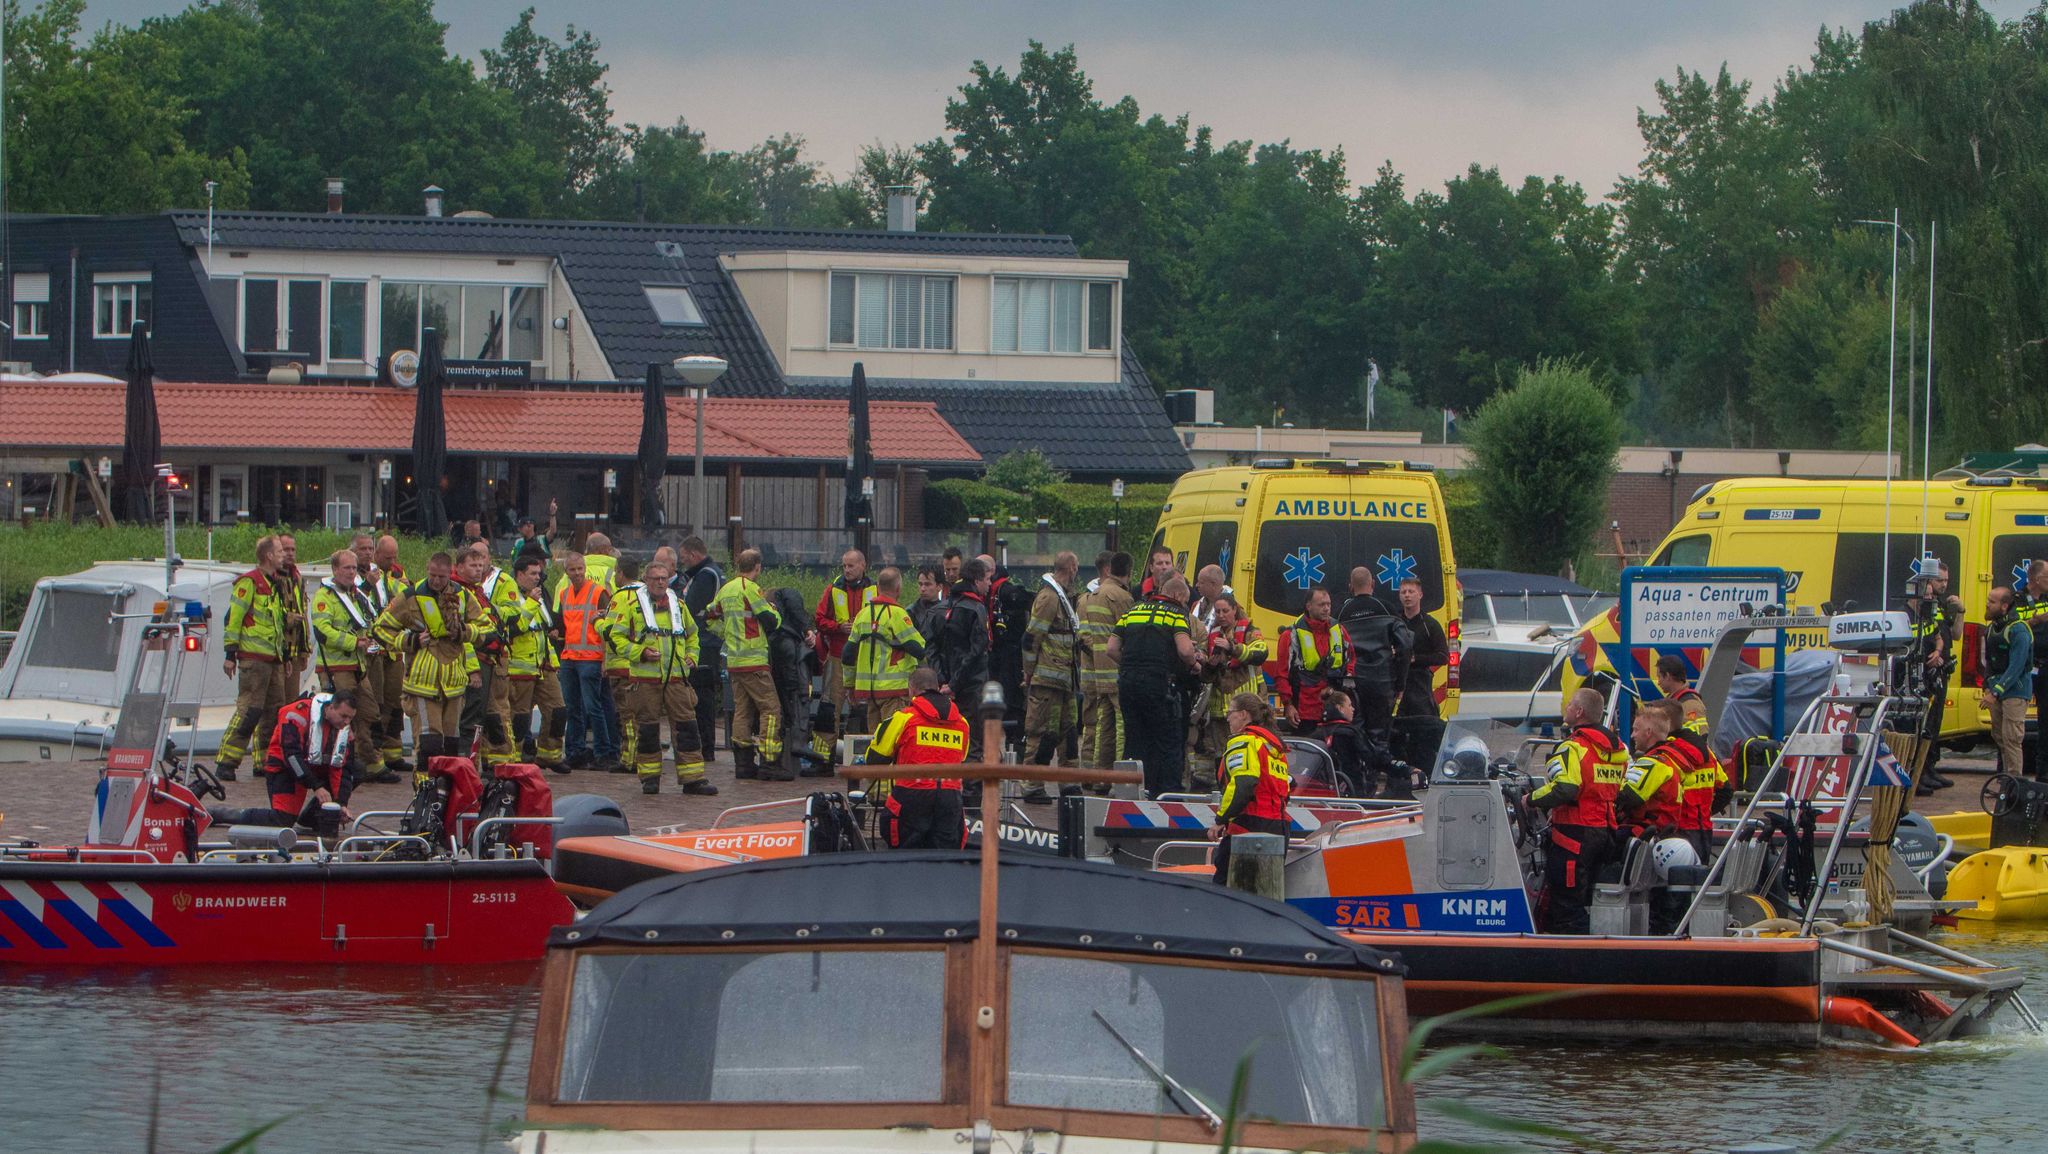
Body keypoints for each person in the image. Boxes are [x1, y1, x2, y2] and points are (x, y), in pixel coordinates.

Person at [609, 556, 715, 795]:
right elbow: (616, 638)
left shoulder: (679, 605)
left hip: (676, 678)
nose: (659, 583)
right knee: (647, 730)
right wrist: (640, 652)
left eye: (664, 579)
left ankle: (693, 778)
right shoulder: (631, 606)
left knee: (687, 727)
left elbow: (693, 636)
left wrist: (693, 656)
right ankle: (649, 778)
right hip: (645, 680)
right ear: (645, 580)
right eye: (655, 579)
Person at [1527, 687, 1628, 933]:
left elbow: (1566, 789)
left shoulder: (1573, 747)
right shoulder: (1618, 750)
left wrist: (1530, 799)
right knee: (1586, 899)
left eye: (1571, 704)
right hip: (1605, 832)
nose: (1567, 708)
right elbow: (1621, 789)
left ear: (1580, 712)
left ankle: (1574, 960)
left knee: (1566, 903)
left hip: (1574, 836)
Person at [372, 552, 487, 763]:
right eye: (432, 575)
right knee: (429, 746)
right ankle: (425, 791)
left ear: (449, 574)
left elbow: (486, 628)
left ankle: (447, 791)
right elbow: (380, 629)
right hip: (421, 683)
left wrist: (464, 631)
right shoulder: (410, 595)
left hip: (454, 684)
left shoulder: (463, 595)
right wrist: (410, 641)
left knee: (451, 748)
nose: (436, 581)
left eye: (442, 577)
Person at [209, 692, 360, 832]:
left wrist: (341, 803)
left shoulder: (345, 730)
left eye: (351, 718)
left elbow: (344, 769)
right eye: (344, 716)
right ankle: (222, 814)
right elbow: (292, 756)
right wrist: (317, 787)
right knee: (281, 821)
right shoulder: (295, 714)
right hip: (285, 768)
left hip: (316, 768)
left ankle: (313, 817)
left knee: (359, 770)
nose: (347, 722)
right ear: (331, 707)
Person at [309, 548, 395, 784]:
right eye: (346, 568)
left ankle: (368, 762)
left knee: (369, 713)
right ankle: (358, 764)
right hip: (337, 670)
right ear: (335, 570)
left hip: (359, 667)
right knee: (341, 718)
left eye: (353, 568)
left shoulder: (357, 596)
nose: (350, 572)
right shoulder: (324, 598)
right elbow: (324, 632)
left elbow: (368, 623)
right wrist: (354, 642)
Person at [1112, 574, 1200, 797]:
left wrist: (1133, 664)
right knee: (1167, 741)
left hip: (1128, 683)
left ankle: (1133, 791)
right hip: (1159, 685)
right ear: (1179, 595)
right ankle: (1168, 796)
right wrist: (1194, 664)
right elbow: (1185, 650)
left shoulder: (1133, 610)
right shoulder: (1177, 614)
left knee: (1135, 739)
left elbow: (1111, 648)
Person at [867, 667, 973, 849]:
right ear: (938, 687)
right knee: (946, 859)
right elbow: (961, 757)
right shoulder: (962, 724)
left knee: (906, 856)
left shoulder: (903, 718)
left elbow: (874, 758)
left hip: (912, 795)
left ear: (912, 689)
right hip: (950, 798)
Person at [216, 535, 293, 782]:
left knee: (274, 713)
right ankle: (226, 761)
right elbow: (233, 619)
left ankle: (265, 761)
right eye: (280, 551)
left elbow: (276, 623)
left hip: (273, 659)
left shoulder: (275, 583)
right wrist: (230, 654)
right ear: (269, 556)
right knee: (249, 711)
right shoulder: (249, 583)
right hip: (253, 660)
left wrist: (286, 655)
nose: (285, 555)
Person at [711, 548, 783, 779]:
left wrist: (727, 635)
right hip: (754, 660)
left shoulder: (726, 589)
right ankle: (770, 763)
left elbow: (710, 615)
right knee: (770, 709)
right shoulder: (751, 590)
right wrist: (774, 611)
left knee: (742, 711)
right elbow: (771, 621)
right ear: (758, 567)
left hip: (734, 661)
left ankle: (743, 764)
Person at [1019, 551, 1082, 799]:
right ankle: (1033, 785)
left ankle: (1069, 782)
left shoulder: (1065, 597)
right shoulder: (1049, 597)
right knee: (1041, 731)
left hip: (1065, 680)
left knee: (1068, 731)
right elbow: (1031, 638)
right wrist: (1029, 673)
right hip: (1046, 681)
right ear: (1071, 568)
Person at [1210, 693, 1290, 885]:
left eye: (1230, 712)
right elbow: (1286, 789)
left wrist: (1221, 819)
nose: (1227, 718)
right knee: (1266, 894)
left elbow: (1243, 783)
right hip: (1279, 829)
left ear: (1244, 714)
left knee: (1227, 893)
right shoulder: (1274, 749)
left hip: (1248, 828)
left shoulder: (1245, 742)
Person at [1189, 596, 1266, 791]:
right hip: (1218, 711)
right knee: (1221, 755)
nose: (1221, 616)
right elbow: (1206, 677)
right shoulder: (1212, 634)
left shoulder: (1249, 631)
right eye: (1218, 612)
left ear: (1235, 610)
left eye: (1225, 611)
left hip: (1245, 710)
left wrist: (1233, 648)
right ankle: (1224, 791)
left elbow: (1260, 652)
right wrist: (1208, 664)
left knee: (1245, 754)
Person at [1337, 566, 1404, 787]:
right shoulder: (1386, 609)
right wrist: (1399, 679)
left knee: (1354, 731)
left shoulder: (1341, 612)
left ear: (1349, 586)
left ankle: (1357, 782)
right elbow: (1406, 645)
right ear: (1372, 584)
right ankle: (1377, 780)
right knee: (1379, 735)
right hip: (1381, 681)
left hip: (1351, 683)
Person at [844, 567, 926, 738]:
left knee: (875, 742)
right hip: (894, 692)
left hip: (869, 694)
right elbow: (919, 649)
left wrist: (850, 685)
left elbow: (847, 655)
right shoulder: (897, 614)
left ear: (877, 588)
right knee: (894, 740)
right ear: (898, 589)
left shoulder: (862, 615)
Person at [506, 551, 569, 774]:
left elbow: (545, 625)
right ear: (519, 574)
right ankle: (513, 757)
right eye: (532, 573)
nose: (537, 578)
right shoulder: (510, 595)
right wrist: (532, 603)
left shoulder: (539, 595)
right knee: (520, 716)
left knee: (558, 710)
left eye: (539, 573)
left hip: (544, 664)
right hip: (519, 667)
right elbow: (515, 627)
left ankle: (549, 755)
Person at [553, 553, 616, 772]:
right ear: (566, 572)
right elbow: (564, 627)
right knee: (572, 708)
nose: (577, 573)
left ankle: (603, 752)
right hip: (570, 657)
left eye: (580, 569)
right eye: (573, 570)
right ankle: (575, 752)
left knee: (592, 707)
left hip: (590, 658)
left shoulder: (598, 593)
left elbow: (607, 628)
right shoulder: (564, 594)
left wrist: (605, 660)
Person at [1906, 562, 1965, 792]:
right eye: (1939, 580)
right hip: (1919, 674)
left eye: (1945, 581)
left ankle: (1928, 768)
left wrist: (1960, 611)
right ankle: (1919, 772)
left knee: (1934, 723)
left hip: (1938, 670)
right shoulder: (1909, 613)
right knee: (1921, 724)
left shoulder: (1936, 607)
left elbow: (1948, 635)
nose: (1943, 585)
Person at [458, 543, 518, 768]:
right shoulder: (459, 592)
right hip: (476, 661)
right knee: (471, 716)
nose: (478, 570)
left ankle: (484, 764)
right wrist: (472, 668)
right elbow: (462, 635)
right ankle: (468, 764)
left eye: (481, 565)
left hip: (491, 658)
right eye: (473, 565)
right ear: (460, 566)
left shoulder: (477, 590)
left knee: (486, 715)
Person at [813, 549, 875, 762]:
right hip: (839, 656)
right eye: (844, 566)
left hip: (865, 659)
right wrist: (838, 627)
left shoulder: (875, 589)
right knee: (830, 706)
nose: (846, 570)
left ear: (862, 565)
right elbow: (819, 619)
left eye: (851, 566)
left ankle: (863, 756)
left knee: (864, 708)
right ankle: (823, 758)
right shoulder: (833, 589)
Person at [1075, 551, 1134, 779]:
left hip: (1098, 672)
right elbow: (1127, 634)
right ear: (1129, 571)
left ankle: (1100, 777)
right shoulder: (1121, 597)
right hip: (1117, 671)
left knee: (1102, 727)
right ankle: (1119, 778)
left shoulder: (1092, 595)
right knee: (1121, 727)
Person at [931, 558, 994, 758]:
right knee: (973, 740)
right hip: (971, 686)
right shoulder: (976, 609)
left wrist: (943, 680)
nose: (990, 584)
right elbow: (976, 652)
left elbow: (934, 648)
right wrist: (955, 683)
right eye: (987, 579)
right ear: (976, 581)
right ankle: (971, 788)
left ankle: (951, 784)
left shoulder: (944, 607)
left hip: (946, 685)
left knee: (950, 738)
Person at [1274, 588, 1352, 737]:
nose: (1327, 608)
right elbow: (1281, 674)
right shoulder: (1291, 635)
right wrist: (1288, 705)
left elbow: (1351, 660)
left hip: (1334, 709)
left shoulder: (1339, 630)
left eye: (1328, 604)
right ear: (1308, 606)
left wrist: (1345, 691)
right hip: (1305, 711)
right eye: (1321, 604)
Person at [364, 534, 411, 771]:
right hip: (374, 650)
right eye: (387, 557)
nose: (392, 561)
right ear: (376, 554)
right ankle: (375, 754)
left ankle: (393, 751)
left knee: (395, 702)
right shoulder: (366, 576)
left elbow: (404, 592)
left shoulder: (393, 574)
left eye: (394, 557)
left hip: (393, 648)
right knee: (377, 702)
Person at [1392, 576, 1448, 770]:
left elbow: (1443, 656)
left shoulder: (1429, 624)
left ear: (1420, 595)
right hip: (1395, 685)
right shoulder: (1394, 622)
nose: (1407, 596)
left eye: (1411, 592)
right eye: (1403, 592)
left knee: (1423, 731)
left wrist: (1416, 659)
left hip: (1419, 685)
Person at [676, 536, 724, 758]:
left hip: (705, 642)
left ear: (694, 555)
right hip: (706, 641)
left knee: (702, 697)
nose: (683, 563)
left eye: (684, 558)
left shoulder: (706, 576)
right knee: (702, 696)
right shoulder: (708, 573)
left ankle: (705, 747)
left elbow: (690, 609)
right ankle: (705, 745)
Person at [1982, 585, 2035, 778]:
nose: (1987, 604)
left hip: (2016, 691)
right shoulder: (1991, 629)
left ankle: (2015, 782)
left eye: (1992, 602)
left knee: (2012, 738)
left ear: (2004, 606)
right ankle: (2006, 779)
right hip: (1996, 690)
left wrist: (1995, 691)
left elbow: (2017, 666)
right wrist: (1987, 686)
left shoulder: (2018, 629)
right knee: (2000, 737)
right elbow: (1988, 662)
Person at [766, 583, 817, 781]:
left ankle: (783, 754)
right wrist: (807, 629)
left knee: (782, 705)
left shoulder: (773, 630)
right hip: (790, 655)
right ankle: (799, 741)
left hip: (775, 661)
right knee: (799, 694)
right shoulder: (786, 594)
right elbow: (799, 689)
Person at [1617, 700, 1687, 842]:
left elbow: (1628, 796)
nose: (1632, 735)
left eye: (1636, 730)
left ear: (1648, 732)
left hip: (1645, 835)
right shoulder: (1669, 759)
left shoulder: (1653, 762)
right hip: (1663, 834)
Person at [2022, 560, 2048, 782]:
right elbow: (2012, 627)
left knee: (2045, 723)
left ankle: (2044, 775)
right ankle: (2009, 778)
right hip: (2025, 668)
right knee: (2014, 725)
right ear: (2037, 579)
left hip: (2045, 669)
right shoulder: (2018, 599)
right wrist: (2035, 620)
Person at [1653, 655, 1708, 737]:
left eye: (1659, 677)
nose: (1658, 682)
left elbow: (1699, 739)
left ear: (1667, 676)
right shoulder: (1674, 701)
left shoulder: (1690, 704)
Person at [909, 564, 947, 647]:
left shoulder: (946, 612)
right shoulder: (911, 612)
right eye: (920, 584)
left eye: (927, 584)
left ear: (939, 587)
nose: (922, 589)